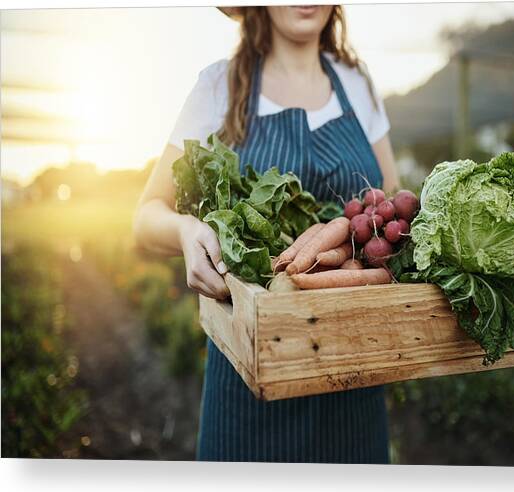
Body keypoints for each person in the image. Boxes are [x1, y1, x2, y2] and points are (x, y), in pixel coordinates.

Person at [134, 5, 399, 463]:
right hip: (249, 372)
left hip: (354, 366)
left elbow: (390, 204)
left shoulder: (357, 83)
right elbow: (145, 215)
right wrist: (185, 231)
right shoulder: (220, 85)